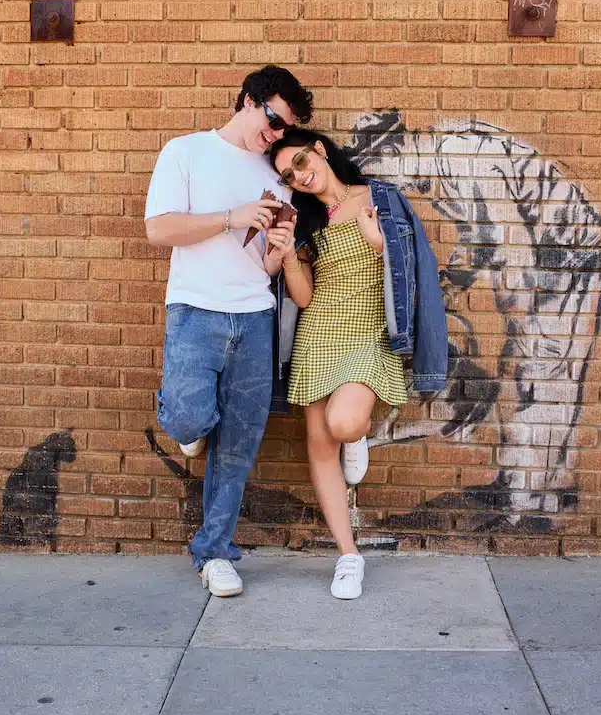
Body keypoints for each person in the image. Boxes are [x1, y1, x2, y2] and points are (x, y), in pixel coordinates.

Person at [144, 66, 313, 598]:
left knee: (239, 446)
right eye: (274, 121)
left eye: (285, 129)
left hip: (255, 317)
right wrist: (232, 216)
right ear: (248, 100)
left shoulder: (271, 174)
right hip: (196, 311)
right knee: (191, 414)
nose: (277, 135)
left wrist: (279, 252)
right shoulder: (185, 152)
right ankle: (188, 418)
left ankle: (214, 551)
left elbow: (261, 267)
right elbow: (159, 229)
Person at [266, 129, 447, 600]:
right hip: (319, 333)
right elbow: (304, 297)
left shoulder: (380, 199)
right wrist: (287, 258)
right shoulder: (307, 220)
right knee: (319, 446)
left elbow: (413, 270)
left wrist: (379, 243)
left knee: (344, 423)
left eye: (301, 161)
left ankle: (357, 437)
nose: (300, 176)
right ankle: (349, 557)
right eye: (289, 175)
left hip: (369, 332)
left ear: (320, 151)